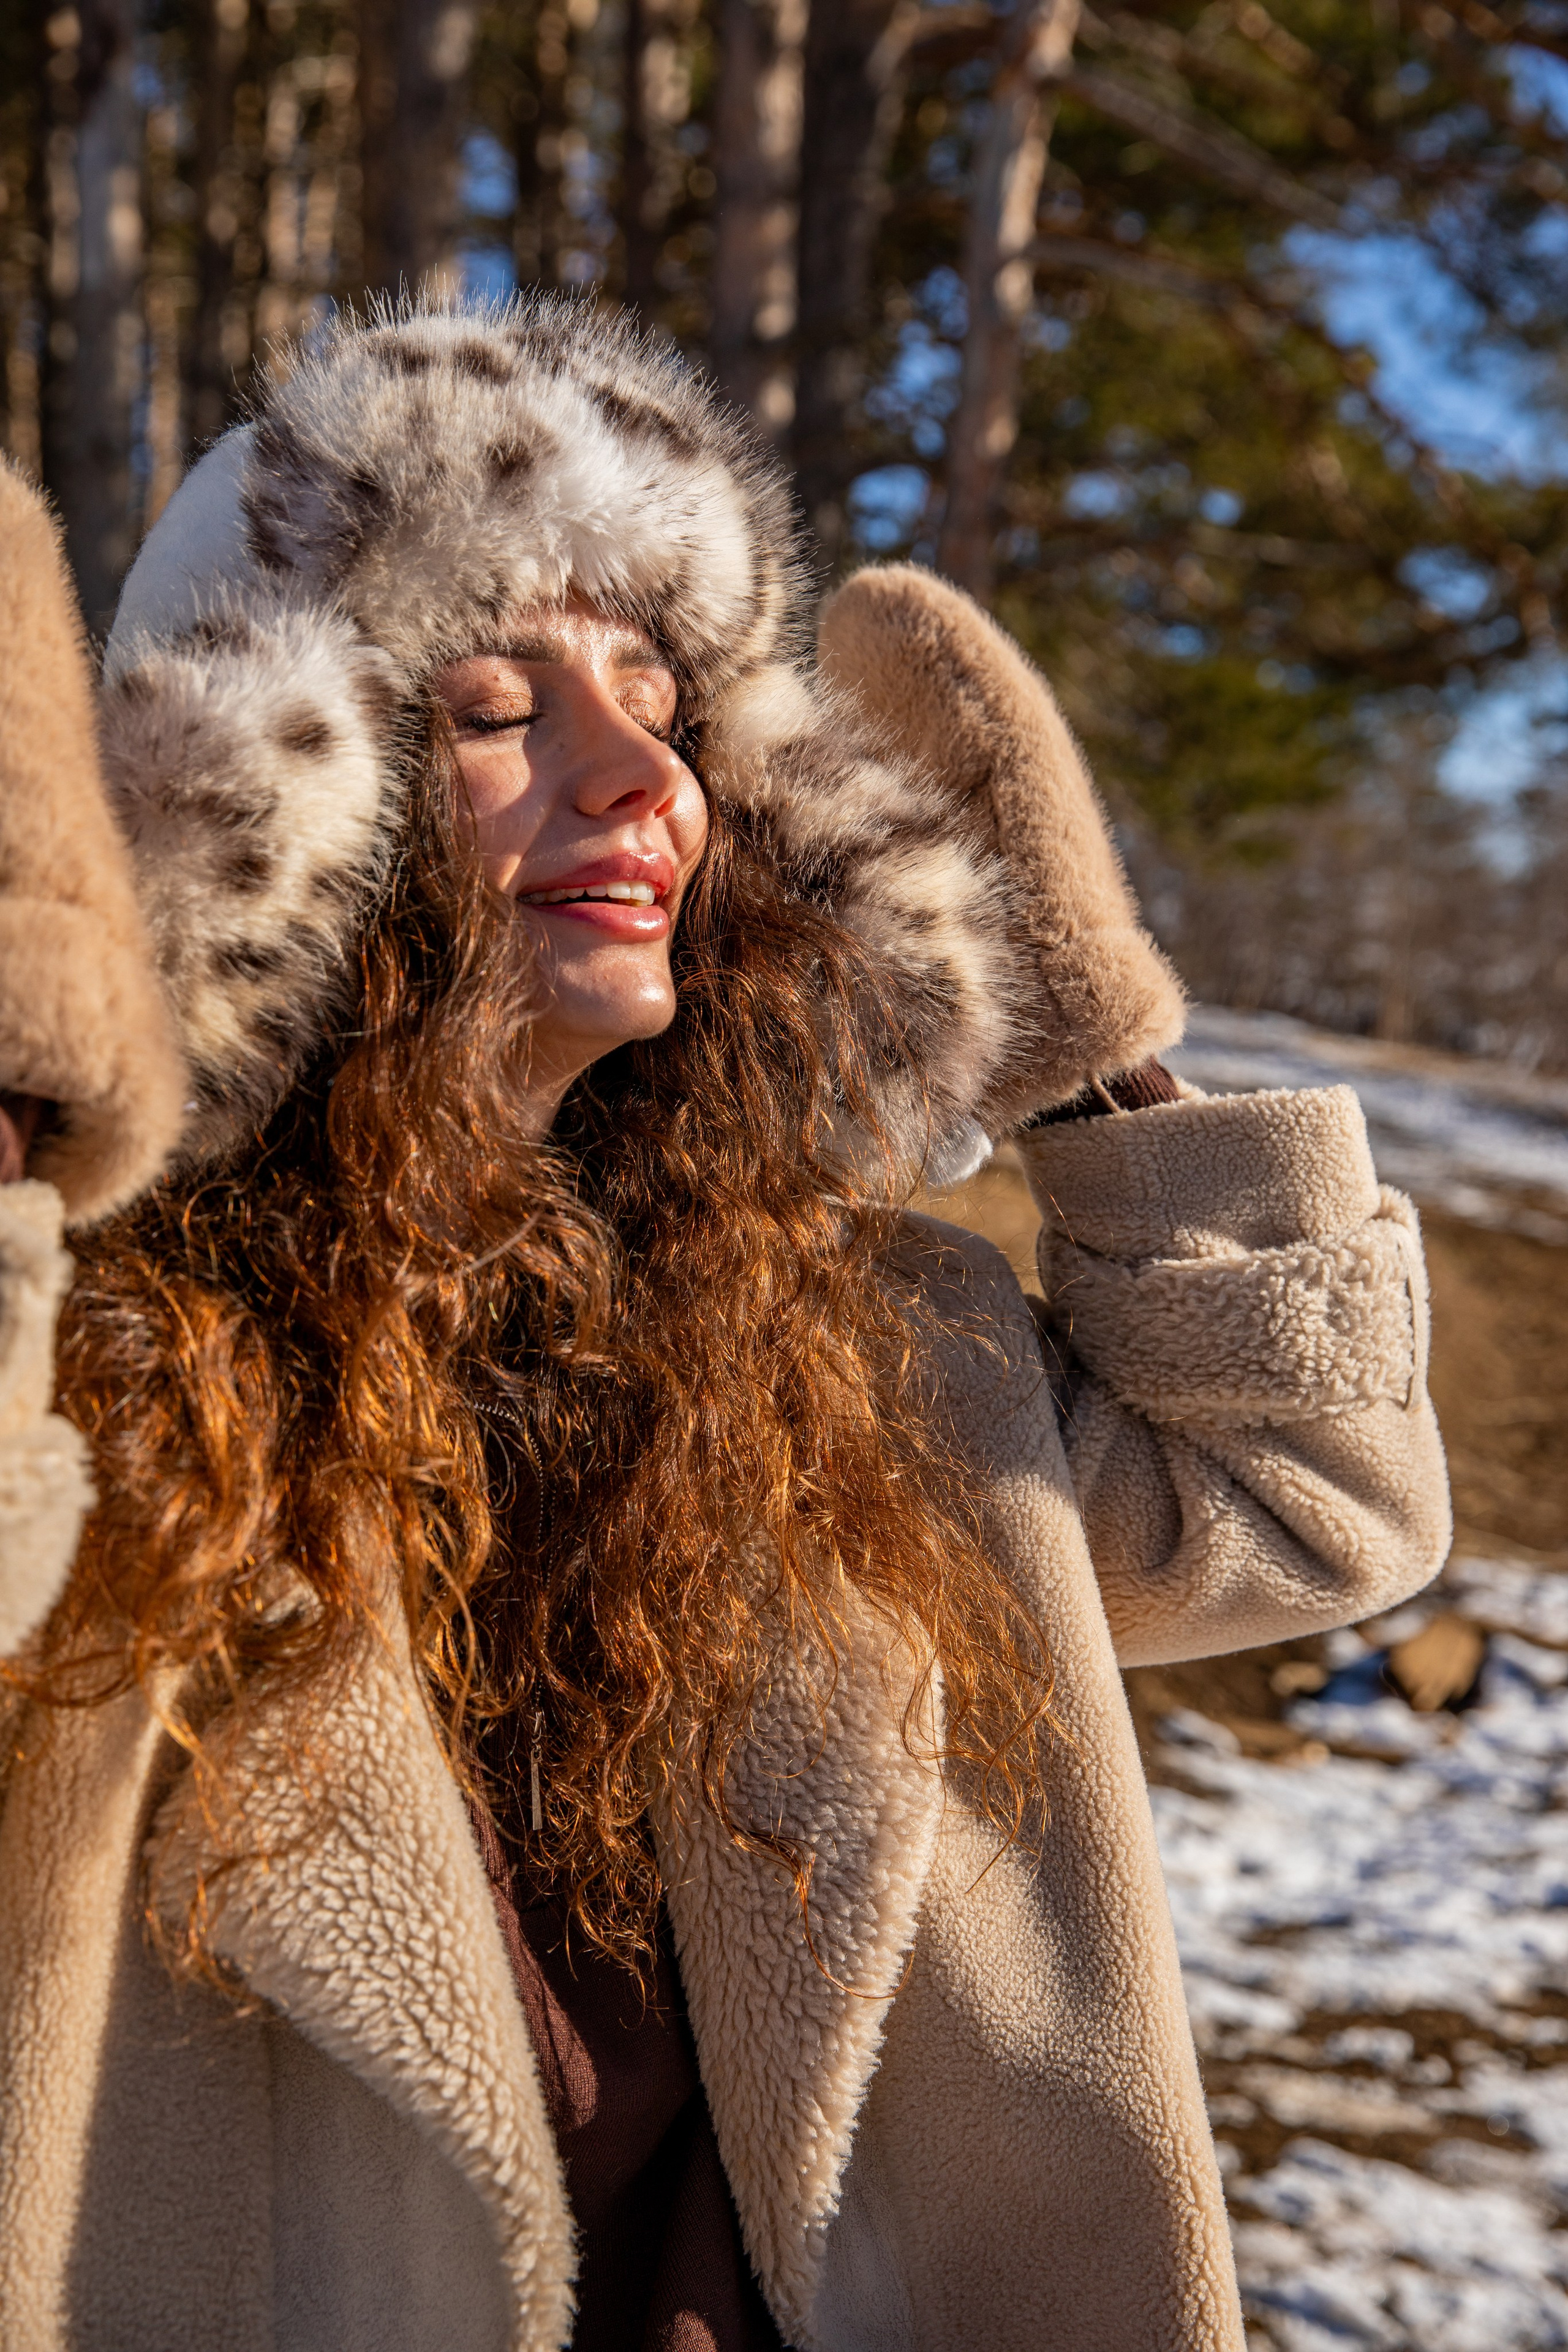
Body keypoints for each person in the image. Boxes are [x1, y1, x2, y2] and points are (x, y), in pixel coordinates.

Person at [0, 300, 1450, 2352]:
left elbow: (1316, 1501)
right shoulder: (107, 1377)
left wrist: (1084, 1057)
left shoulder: (860, 1337)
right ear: (269, 810)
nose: (635, 781)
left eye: (669, 705)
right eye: (498, 707)